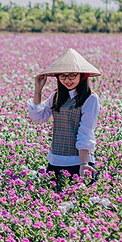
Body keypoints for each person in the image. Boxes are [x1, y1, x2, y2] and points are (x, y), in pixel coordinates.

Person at [27, 48, 101, 185]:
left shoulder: (90, 98)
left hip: (78, 162)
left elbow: (85, 131)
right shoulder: (57, 96)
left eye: (72, 75)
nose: (67, 80)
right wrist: (38, 90)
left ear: (82, 76)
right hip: (56, 160)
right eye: (63, 76)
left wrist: (84, 163)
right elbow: (38, 117)